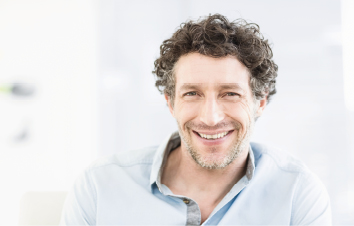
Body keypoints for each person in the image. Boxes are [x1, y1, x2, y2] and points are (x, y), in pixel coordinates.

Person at [60, 14, 331, 225]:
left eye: (230, 94)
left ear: (259, 101)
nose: (210, 117)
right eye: (192, 93)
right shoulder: (99, 187)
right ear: (170, 102)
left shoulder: (298, 194)